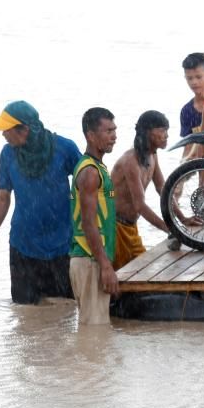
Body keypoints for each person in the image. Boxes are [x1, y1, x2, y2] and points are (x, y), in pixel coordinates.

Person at [0, 100, 81, 304]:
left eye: (6, 129)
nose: (3, 134)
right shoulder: (8, 155)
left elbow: (89, 184)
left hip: (63, 246)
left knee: (65, 309)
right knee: (25, 314)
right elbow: (2, 198)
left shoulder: (64, 148)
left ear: (24, 129)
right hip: (23, 246)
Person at [69, 107, 119, 325]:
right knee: (94, 331)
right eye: (108, 131)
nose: (114, 136)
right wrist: (105, 266)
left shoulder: (98, 167)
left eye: (115, 130)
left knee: (95, 337)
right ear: (90, 135)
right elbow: (89, 223)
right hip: (89, 260)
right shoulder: (90, 172)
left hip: (93, 259)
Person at [111, 110, 179, 268]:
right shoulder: (130, 161)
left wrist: (183, 220)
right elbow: (139, 205)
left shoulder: (152, 155)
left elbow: (163, 188)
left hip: (131, 228)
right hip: (114, 229)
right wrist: (169, 229)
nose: (166, 135)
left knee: (142, 270)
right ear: (148, 132)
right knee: (119, 281)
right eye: (162, 130)